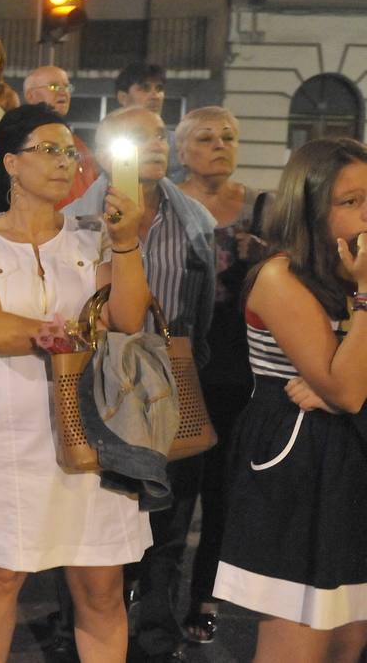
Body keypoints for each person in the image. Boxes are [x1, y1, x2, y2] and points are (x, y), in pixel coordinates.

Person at [0, 103, 151, 662]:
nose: (66, 163)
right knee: (0, 571)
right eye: (51, 150)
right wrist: (66, 335)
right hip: (8, 434)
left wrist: (127, 240)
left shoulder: (93, 241)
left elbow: (130, 320)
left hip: (96, 431)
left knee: (101, 583)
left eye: (72, 153)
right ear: (12, 163)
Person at [64, 106, 216, 662]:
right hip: (101, 388)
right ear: (105, 155)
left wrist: (187, 369)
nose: (155, 143)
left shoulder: (194, 217)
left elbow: (201, 314)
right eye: (137, 138)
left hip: (170, 390)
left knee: (170, 525)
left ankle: (154, 637)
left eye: (159, 134)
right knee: (92, 522)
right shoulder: (76, 217)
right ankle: (73, 630)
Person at [214, 138, 367, 662]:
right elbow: (346, 389)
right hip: (302, 461)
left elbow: (344, 391)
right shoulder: (280, 276)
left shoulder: (352, 267)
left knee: (349, 638)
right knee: (301, 639)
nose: (366, 213)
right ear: (310, 205)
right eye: (350, 201)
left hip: (352, 460)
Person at [174, 106, 267, 646]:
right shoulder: (167, 201)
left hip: (239, 366)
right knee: (172, 492)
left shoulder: (257, 207)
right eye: (205, 137)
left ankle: (203, 597)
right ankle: (149, 587)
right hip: (179, 362)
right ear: (182, 148)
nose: (218, 145)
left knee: (224, 494)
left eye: (228, 137)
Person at [22, 66, 96, 206]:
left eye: (67, 86)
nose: (63, 92)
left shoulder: (78, 144)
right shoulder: (18, 140)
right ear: (31, 96)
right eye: (54, 86)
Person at [115, 62, 184, 180]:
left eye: (159, 89)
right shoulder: (108, 143)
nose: (155, 96)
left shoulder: (179, 145)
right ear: (123, 97)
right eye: (145, 88)